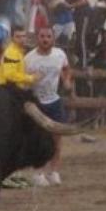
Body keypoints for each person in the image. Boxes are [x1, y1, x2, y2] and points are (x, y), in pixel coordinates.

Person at [25, 26, 72, 186]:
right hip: (37, 102)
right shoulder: (29, 59)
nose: (45, 39)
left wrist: (66, 81)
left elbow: (66, 69)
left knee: (57, 138)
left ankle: (54, 171)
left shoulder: (60, 54)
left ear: (53, 39)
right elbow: (22, 80)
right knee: (39, 139)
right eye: (42, 36)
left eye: (48, 36)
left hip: (54, 101)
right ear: (37, 38)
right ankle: (38, 172)